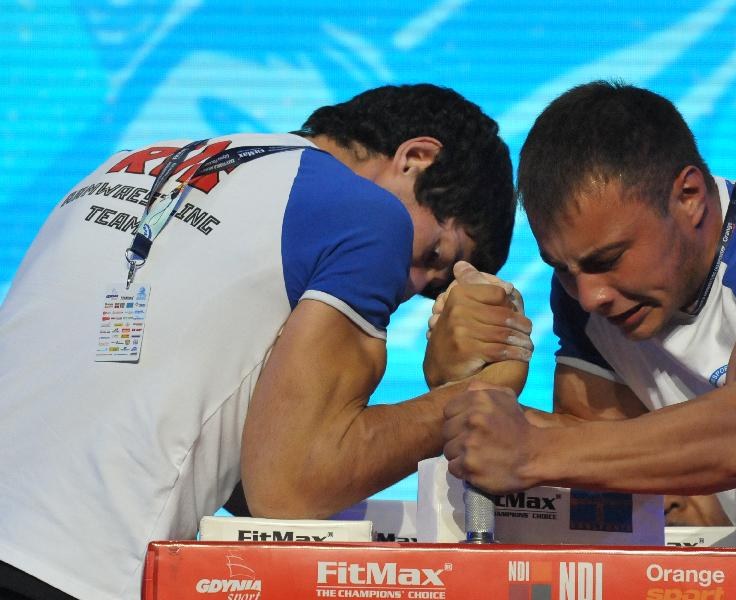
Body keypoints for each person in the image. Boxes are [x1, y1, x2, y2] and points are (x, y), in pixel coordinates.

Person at [0, 84, 531, 600]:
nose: (411, 284)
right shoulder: (369, 215)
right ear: (416, 157)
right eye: (434, 255)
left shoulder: (126, 164)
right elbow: (291, 489)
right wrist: (477, 396)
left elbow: (236, 472)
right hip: (75, 574)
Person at [435, 80, 736, 598]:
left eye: (606, 260)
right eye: (562, 269)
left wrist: (529, 447)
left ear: (689, 197)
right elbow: (600, 460)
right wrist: (476, 382)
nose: (590, 296)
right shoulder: (589, 296)